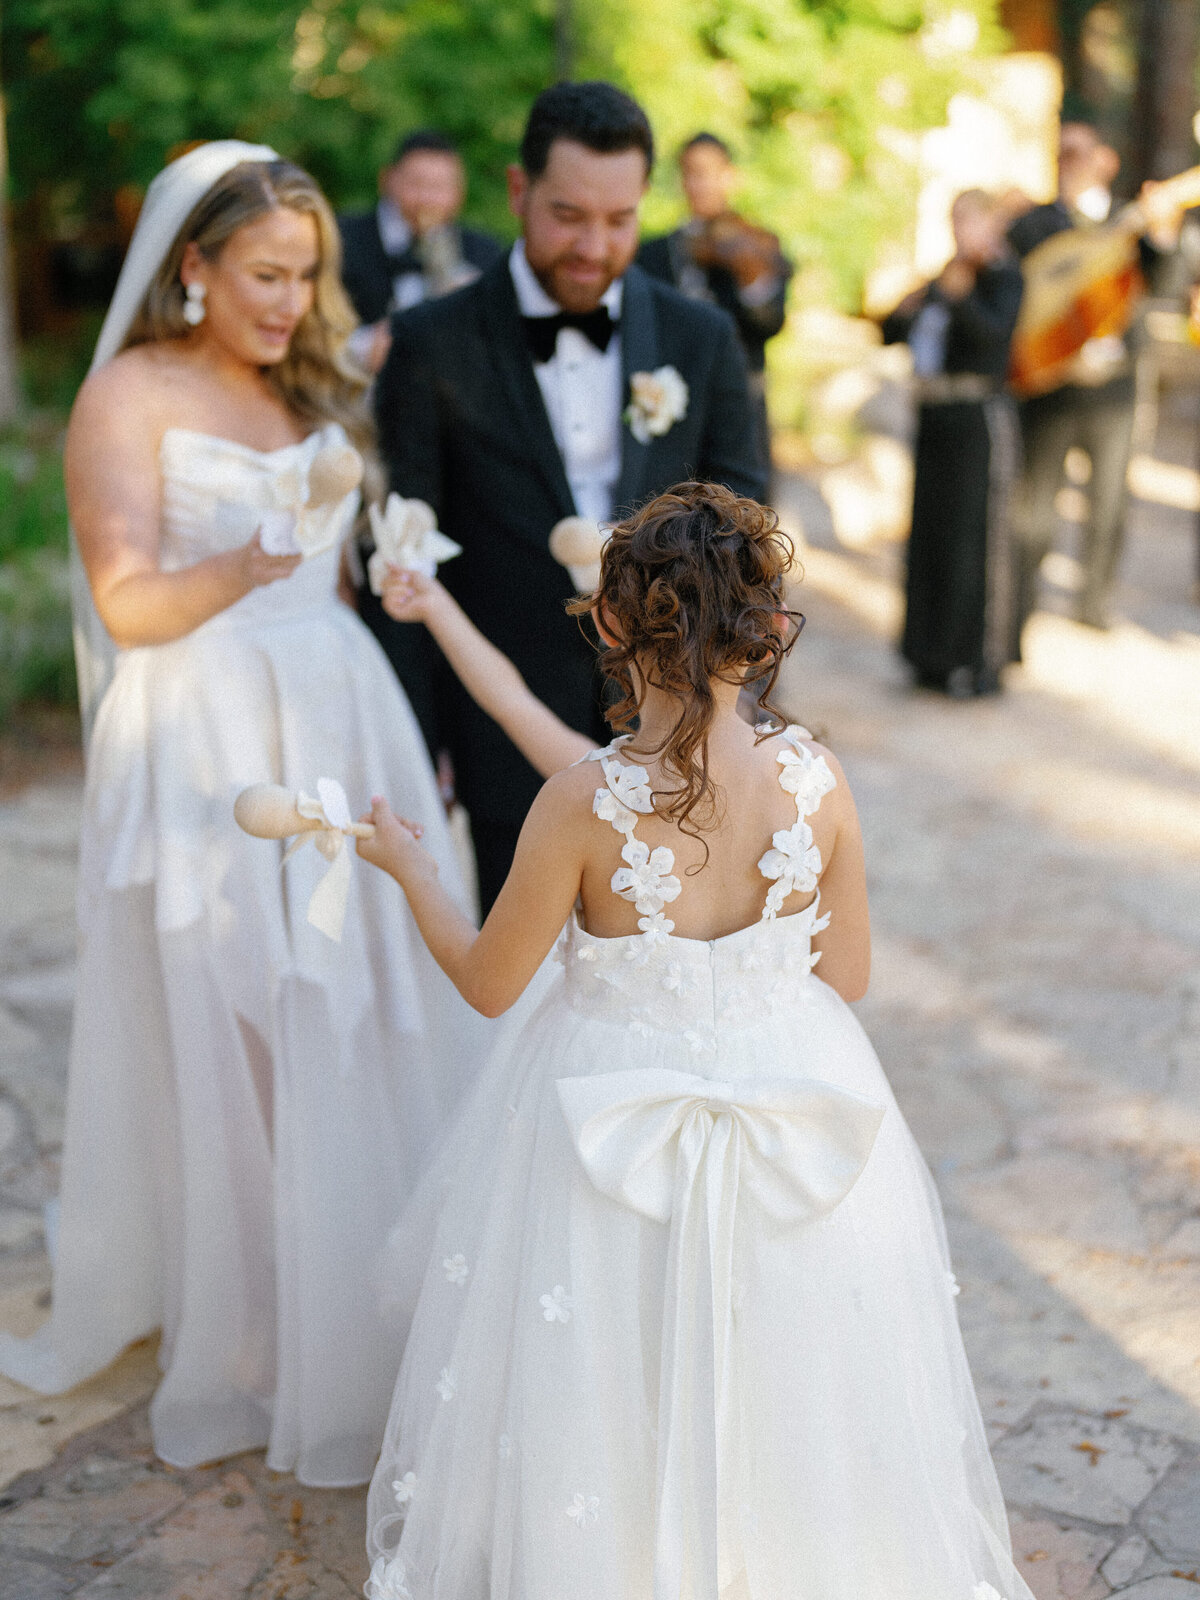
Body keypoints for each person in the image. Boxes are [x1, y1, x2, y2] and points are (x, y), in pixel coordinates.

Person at [355, 480, 1038, 1600]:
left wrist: (414, 870)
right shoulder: (817, 780)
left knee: (615, 1372)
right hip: (796, 1098)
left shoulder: (581, 803)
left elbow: (489, 984)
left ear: (613, 624)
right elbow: (850, 974)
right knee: (787, 1370)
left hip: (606, 1113)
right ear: (767, 632)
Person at [0, 142, 488, 1487]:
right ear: (193, 265)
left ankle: (352, 1286)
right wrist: (251, 560)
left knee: (355, 997)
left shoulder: (303, 387)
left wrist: (373, 589)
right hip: (207, 733)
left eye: (307, 275)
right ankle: (261, 1318)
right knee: (241, 1010)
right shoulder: (128, 392)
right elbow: (127, 606)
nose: (289, 302)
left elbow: (328, 588)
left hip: (334, 710)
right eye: (265, 274)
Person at [362, 82, 766, 916]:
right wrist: (418, 739)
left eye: (620, 221)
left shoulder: (702, 337)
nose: (594, 245)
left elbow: (745, 526)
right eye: (568, 216)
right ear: (518, 191)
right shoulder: (432, 343)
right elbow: (403, 547)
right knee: (523, 987)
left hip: (677, 710)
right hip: (500, 715)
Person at [1007, 120, 1180, 639]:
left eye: (1080, 153)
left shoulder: (1134, 222)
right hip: (1051, 386)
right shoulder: (1034, 225)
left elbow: (1165, 285)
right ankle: (1021, 603)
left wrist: (1163, 232)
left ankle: (1094, 603)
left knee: (1109, 498)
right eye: (1061, 154)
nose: (1069, 163)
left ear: (1106, 160)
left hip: (1115, 386)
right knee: (1035, 503)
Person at [882, 189, 1024, 697]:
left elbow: (995, 338)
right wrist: (909, 304)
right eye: (955, 223)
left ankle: (978, 660)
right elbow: (892, 331)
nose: (961, 234)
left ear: (991, 227)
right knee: (930, 536)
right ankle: (928, 654)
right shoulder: (944, 276)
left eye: (970, 223)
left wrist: (961, 298)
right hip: (934, 415)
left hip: (976, 415)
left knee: (974, 539)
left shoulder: (1004, 275)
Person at [638, 133, 792, 474]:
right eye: (690, 173)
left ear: (729, 176)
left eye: (708, 172)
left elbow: (770, 323)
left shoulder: (757, 244)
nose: (699, 184)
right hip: (672, 414)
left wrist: (749, 274)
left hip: (742, 410)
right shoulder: (654, 253)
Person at [338, 130, 503, 374]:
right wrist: (365, 345)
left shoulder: (485, 253)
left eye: (439, 187)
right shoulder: (342, 239)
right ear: (387, 180)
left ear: (459, 192)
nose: (428, 199)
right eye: (416, 184)